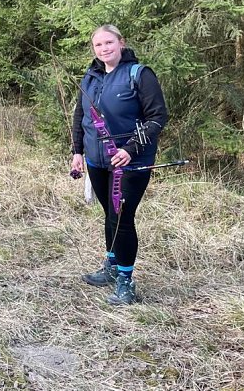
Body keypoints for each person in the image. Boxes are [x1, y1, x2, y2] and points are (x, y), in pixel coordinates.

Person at [70, 24, 168, 305]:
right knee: (109, 214)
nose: (104, 49)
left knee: (122, 218)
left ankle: (126, 281)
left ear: (121, 43)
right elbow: (81, 116)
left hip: (130, 162)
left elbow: (156, 118)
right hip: (96, 160)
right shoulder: (90, 76)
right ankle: (112, 267)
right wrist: (77, 151)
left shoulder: (140, 75)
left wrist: (129, 150)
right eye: (98, 45)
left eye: (109, 43)